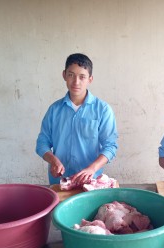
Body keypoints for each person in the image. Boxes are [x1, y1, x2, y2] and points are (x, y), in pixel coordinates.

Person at [36, 53, 118, 185]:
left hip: (91, 182)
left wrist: (92, 169)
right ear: (64, 75)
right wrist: (53, 160)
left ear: (90, 79)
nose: (76, 82)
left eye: (82, 77)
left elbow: (110, 146)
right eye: (71, 75)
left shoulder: (102, 109)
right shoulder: (54, 110)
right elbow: (42, 143)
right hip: (59, 182)